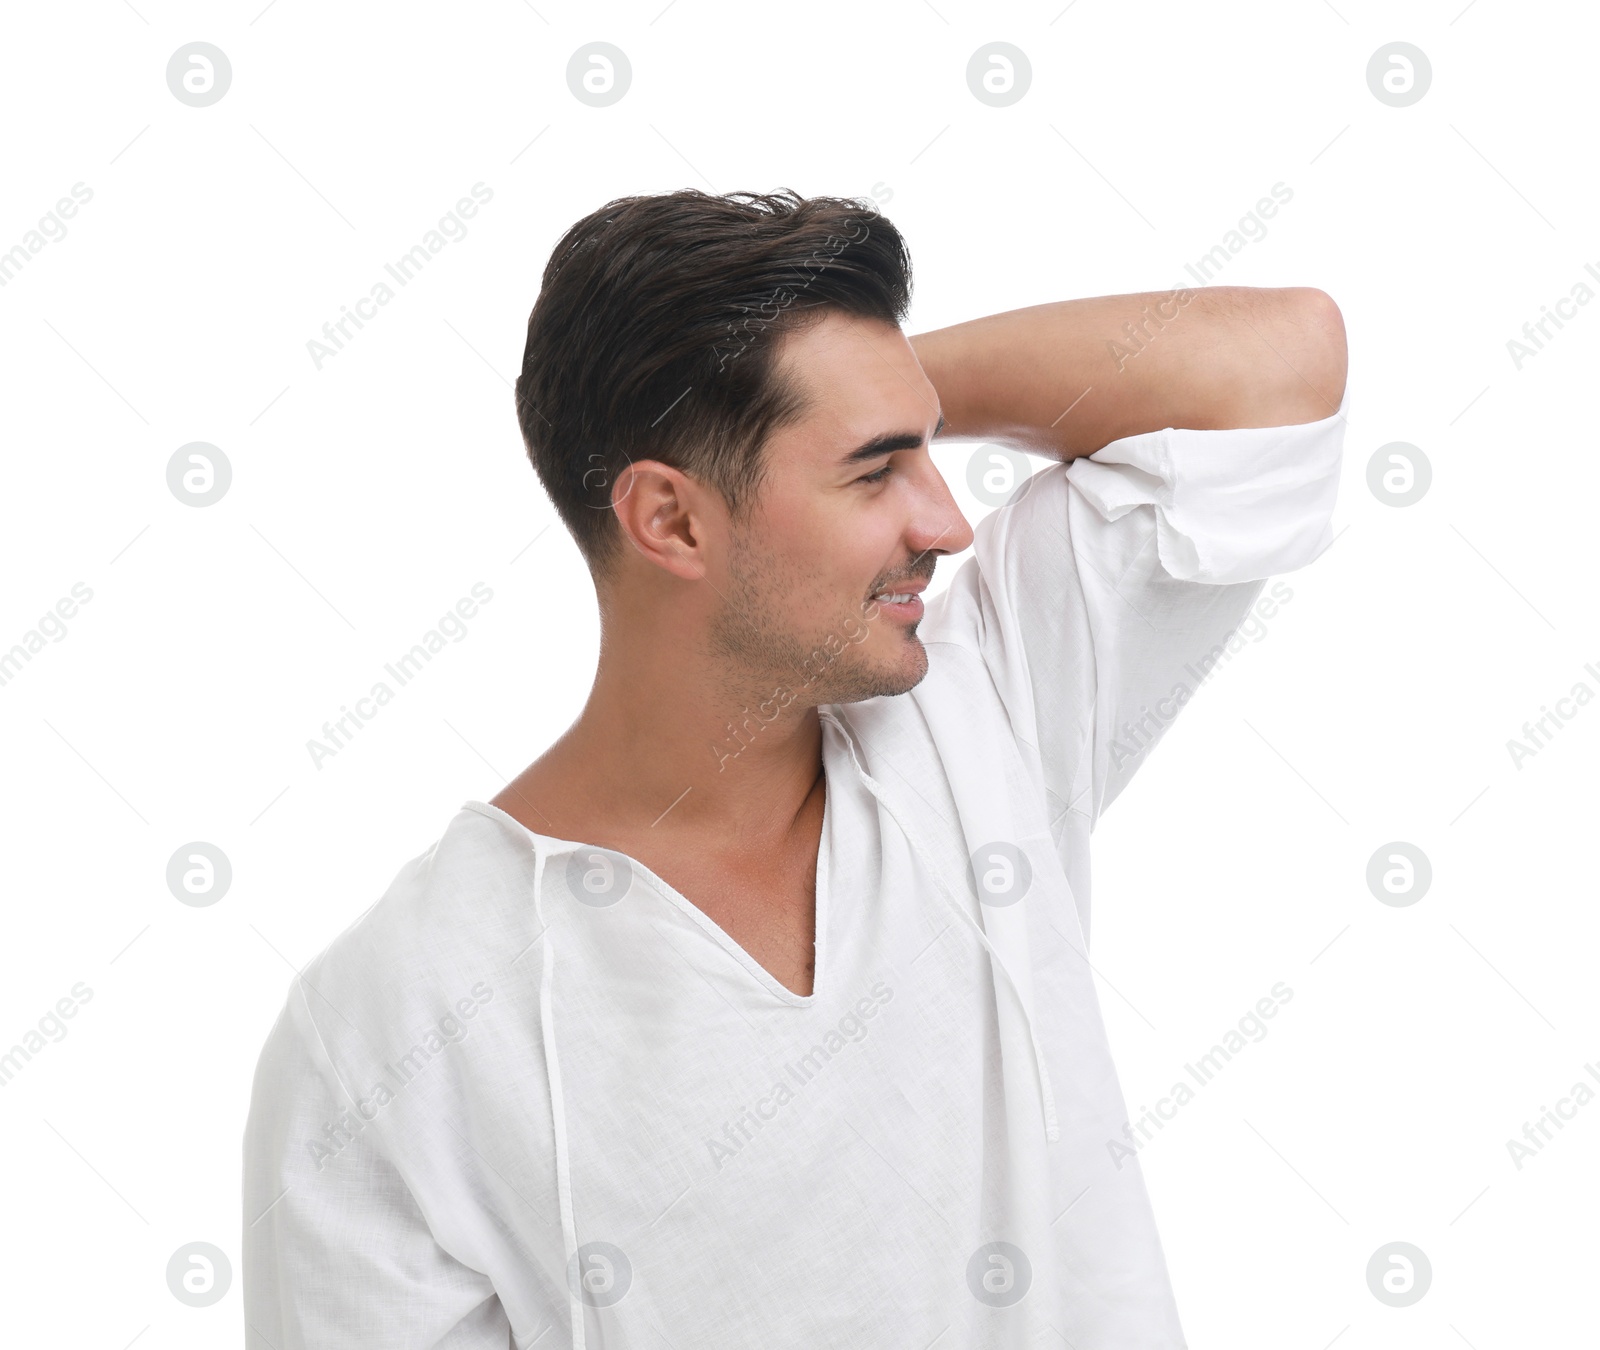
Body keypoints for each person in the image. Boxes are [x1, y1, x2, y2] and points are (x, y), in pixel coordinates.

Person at [243, 188, 1348, 1347]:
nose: (947, 522)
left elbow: (1276, 370)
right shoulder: (393, 1020)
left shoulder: (981, 718)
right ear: (668, 520)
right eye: (874, 473)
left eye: (925, 454)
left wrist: (852, 394)